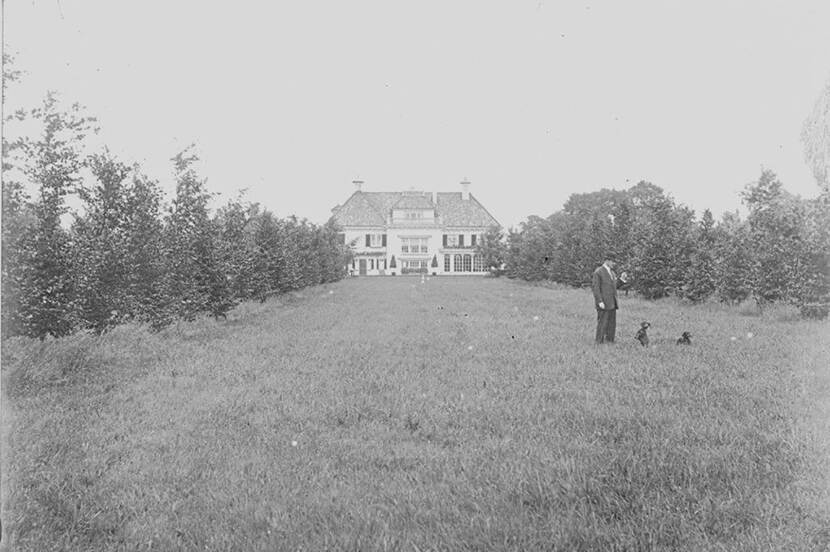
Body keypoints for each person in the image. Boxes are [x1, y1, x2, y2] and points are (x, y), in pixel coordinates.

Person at [592, 259, 619, 343]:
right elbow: (595, 288)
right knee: (602, 323)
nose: (614, 264)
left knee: (611, 323)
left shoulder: (612, 273)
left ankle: (610, 340)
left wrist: (622, 280)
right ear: (607, 261)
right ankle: (599, 341)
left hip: (612, 302)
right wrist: (600, 301)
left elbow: (614, 286)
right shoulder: (598, 272)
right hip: (603, 302)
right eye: (612, 261)